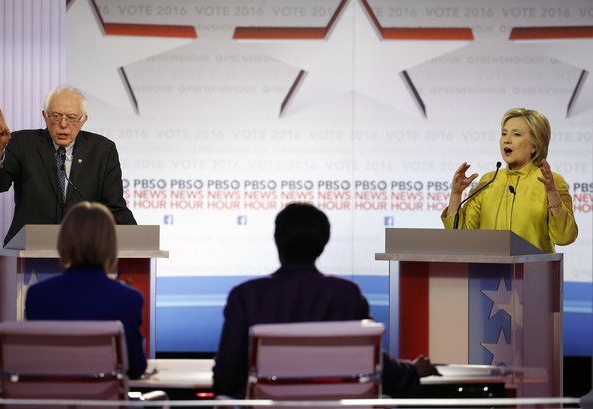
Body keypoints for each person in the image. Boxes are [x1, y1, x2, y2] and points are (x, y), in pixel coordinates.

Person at [212, 202, 438, 399]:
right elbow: (377, 368)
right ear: (323, 243)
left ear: (277, 240)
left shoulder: (246, 295)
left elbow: (226, 376)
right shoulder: (346, 294)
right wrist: (413, 370)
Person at [0, 85, 136, 245]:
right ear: (45, 117)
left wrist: (137, 241)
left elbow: (115, 207)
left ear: (83, 120)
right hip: (28, 249)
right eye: (56, 116)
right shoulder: (22, 143)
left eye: (71, 118)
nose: (63, 124)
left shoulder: (102, 150)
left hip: (84, 250)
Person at [25, 201, 147, 379]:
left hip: (52, 401)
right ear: (111, 245)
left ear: (63, 242)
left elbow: (36, 364)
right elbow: (136, 368)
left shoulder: (37, 296)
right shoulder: (129, 299)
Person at [441, 108, 578, 253]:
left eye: (517, 134)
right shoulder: (489, 181)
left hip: (532, 273)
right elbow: (460, 237)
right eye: (504, 133)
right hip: (486, 272)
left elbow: (564, 238)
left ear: (535, 145)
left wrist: (551, 192)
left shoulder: (552, 181)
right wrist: (456, 193)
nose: (506, 139)